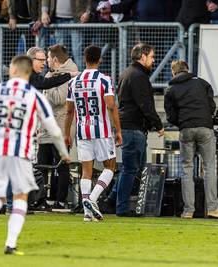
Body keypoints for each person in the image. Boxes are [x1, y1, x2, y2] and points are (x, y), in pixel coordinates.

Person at [0, 55, 70, 255]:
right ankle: (10, 244)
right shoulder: (34, 95)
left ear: (12, 71)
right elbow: (53, 129)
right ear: (29, 73)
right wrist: (63, 153)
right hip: (20, 153)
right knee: (20, 199)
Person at [0, 47, 77, 213]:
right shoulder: (30, 77)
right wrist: (69, 75)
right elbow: (44, 84)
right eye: (40, 60)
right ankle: (10, 205)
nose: (43, 63)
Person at [64, 45, 122, 222]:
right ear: (100, 59)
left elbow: (69, 112)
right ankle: (92, 199)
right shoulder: (104, 80)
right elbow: (111, 106)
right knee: (110, 167)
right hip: (102, 130)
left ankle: (87, 213)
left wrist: (67, 134)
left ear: (84, 59)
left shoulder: (74, 82)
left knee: (86, 172)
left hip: (82, 131)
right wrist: (118, 130)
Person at [164, 60, 218, 219]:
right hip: (205, 128)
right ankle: (213, 208)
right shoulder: (203, 84)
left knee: (186, 169)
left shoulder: (171, 89)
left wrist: (183, 123)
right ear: (187, 70)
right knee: (209, 167)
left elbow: (170, 115)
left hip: (186, 129)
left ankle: (188, 211)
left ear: (174, 72)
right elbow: (211, 107)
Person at [111, 43, 164, 217]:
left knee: (130, 168)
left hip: (128, 126)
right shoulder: (139, 76)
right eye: (151, 56)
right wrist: (158, 125)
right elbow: (145, 104)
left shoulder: (127, 73)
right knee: (130, 169)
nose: (153, 60)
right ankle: (121, 207)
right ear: (142, 57)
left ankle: (112, 200)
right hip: (133, 128)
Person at [37, 44, 78, 209]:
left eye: (47, 58)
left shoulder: (68, 74)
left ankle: (60, 200)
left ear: (54, 59)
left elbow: (60, 99)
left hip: (60, 129)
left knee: (61, 166)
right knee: (42, 165)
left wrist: (46, 86)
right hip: (47, 128)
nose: (46, 61)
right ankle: (42, 199)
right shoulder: (55, 74)